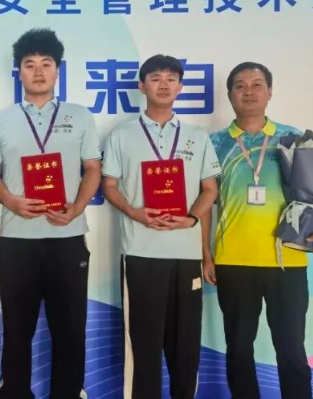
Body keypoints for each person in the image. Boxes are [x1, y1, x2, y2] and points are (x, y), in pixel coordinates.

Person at [0, 28, 101, 399]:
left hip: (68, 236)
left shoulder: (79, 116)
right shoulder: (0, 121)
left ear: (57, 71)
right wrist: (11, 201)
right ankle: (15, 392)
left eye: (46, 64)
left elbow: (93, 168)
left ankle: (67, 393)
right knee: (17, 329)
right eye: (29, 64)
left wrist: (77, 208)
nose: (38, 71)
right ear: (19, 72)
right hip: (17, 238)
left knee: (70, 328)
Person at [206, 62, 313, 399]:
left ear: (270, 92)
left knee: (291, 349)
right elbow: (205, 202)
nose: (249, 91)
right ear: (230, 94)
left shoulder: (291, 138)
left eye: (257, 84)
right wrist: (205, 253)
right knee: (238, 350)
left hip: (286, 258)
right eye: (240, 85)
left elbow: (312, 192)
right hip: (234, 259)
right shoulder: (214, 143)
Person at [101, 55, 221, 399]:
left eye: (171, 79)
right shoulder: (122, 134)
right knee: (144, 347)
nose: (164, 85)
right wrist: (135, 212)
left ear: (180, 87)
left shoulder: (197, 137)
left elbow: (210, 189)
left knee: (185, 348)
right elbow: (109, 186)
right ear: (142, 86)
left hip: (186, 255)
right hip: (141, 253)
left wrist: (192, 219)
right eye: (155, 78)